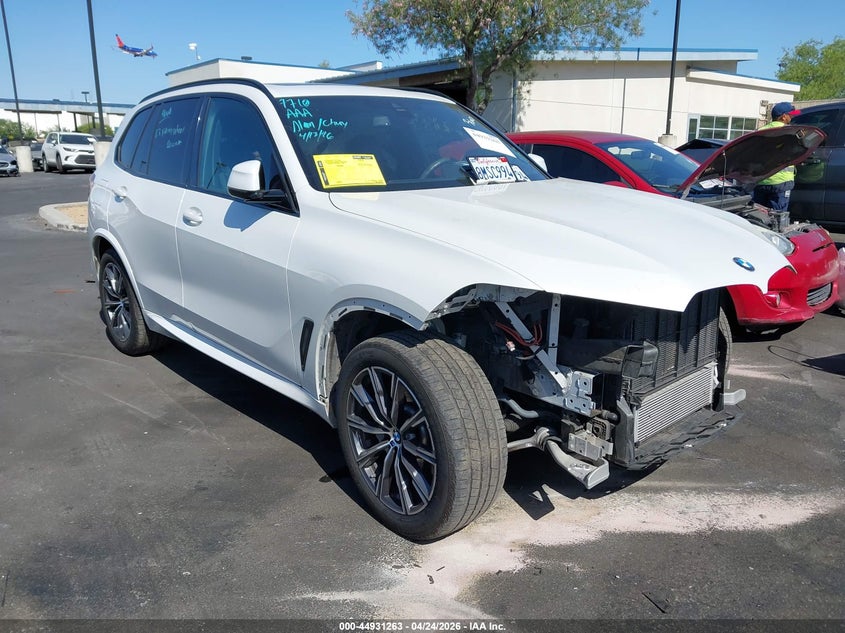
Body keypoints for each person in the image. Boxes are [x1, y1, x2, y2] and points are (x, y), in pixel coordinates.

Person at [751, 101, 801, 211]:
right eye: (790, 114)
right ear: (783, 117)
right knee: (777, 217)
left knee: (758, 216)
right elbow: (796, 153)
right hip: (781, 183)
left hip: (761, 181)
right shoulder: (790, 133)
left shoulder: (760, 131)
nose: (792, 117)